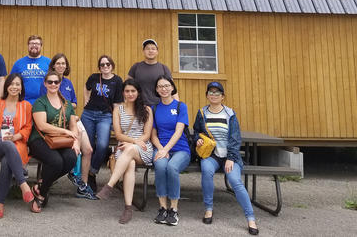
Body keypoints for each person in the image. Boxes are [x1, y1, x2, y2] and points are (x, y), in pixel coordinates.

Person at [194, 81, 259, 235]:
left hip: (230, 156)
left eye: (217, 92)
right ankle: (208, 209)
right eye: (211, 92)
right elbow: (196, 131)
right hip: (212, 155)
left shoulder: (229, 113)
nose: (214, 95)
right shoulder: (202, 112)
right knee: (206, 170)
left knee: (235, 181)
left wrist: (231, 157)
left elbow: (235, 138)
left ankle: (250, 218)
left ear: (223, 96)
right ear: (207, 95)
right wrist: (198, 139)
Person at [95, 79, 154, 224]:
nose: (130, 94)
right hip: (126, 146)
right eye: (127, 91)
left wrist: (133, 143)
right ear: (123, 93)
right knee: (130, 164)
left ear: (138, 92)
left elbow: (147, 134)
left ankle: (110, 185)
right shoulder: (118, 109)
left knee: (130, 150)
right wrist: (131, 142)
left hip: (143, 147)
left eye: (133, 91)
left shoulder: (146, 110)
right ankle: (128, 208)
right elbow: (118, 134)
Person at [27, 70, 81, 212]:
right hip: (40, 139)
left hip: (60, 141)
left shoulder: (67, 104)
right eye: (49, 82)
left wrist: (75, 141)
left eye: (55, 82)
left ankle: (40, 186)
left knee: (71, 159)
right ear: (45, 84)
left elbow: (73, 125)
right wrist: (65, 131)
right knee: (56, 162)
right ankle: (41, 196)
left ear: (60, 83)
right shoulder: (40, 102)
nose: (53, 84)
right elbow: (41, 125)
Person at [0, 73, 35, 219]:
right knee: (7, 144)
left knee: (8, 160)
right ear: (7, 87)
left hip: (17, 144)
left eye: (17, 84)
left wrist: (16, 136)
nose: (14, 87)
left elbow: (27, 128)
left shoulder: (26, 106)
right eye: (11, 84)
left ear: (21, 88)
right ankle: (23, 184)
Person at [150, 76, 191, 226]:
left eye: (167, 86)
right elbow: (153, 134)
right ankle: (162, 208)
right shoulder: (154, 108)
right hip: (161, 148)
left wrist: (166, 149)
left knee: (172, 167)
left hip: (180, 150)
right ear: (156, 90)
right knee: (161, 166)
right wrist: (161, 149)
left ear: (172, 88)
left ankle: (173, 209)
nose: (164, 89)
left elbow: (178, 131)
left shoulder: (181, 106)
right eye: (160, 86)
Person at [80, 54, 123, 194]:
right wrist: (86, 99)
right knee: (88, 146)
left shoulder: (117, 81)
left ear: (112, 65)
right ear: (99, 67)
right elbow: (86, 88)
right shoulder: (94, 77)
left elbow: (117, 103)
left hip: (105, 116)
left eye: (107, 64)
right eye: (102, 65)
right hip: (88, 114)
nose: (105, 67)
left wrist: (116, 118)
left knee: (103, 145)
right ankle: (88, 179)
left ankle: (92, 171)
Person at [126, 39, 176, 107]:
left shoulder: (164, 68)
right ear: (143, 51)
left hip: (159, 106)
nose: (150, 51)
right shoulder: (136, 67)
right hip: (139, 106)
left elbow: (172, 90)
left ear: (157, 52)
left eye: (153, 48)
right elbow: (127, 87)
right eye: (147, 49)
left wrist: (176, 107)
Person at [10, 35, 51, 104]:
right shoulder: (18, 63)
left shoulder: (48, 62)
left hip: (44, 102)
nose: (34, 45)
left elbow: (55, 81)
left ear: (41, 46)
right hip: (23, 102)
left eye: (37, 43)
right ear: (28, 45)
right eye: (32, 43)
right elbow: (11, 82)